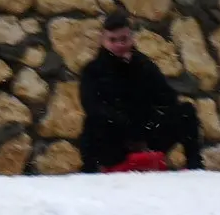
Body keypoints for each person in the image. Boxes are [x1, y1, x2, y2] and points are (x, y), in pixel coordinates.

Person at [77, 23, 202, 172]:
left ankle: (195, 168)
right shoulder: (93, 70)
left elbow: (168, 97)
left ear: (131, 38)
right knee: (93, 123)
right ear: (103, 41)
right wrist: (120, 120)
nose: (119, 44)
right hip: (114, 138)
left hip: (146, 133)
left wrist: (134, 69)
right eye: (113, 40)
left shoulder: (143, 64)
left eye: (123, 39)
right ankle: (91, 173)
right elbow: (91, 106)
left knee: (186, 111)